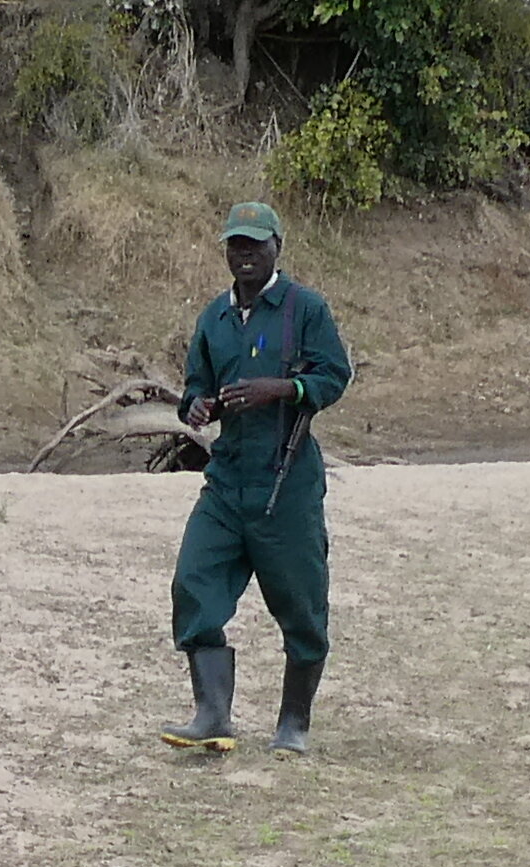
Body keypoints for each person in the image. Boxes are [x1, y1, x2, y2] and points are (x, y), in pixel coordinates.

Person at [165, 195, 346, 759]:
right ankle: (212, 715)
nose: (245, 255)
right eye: (235, 245)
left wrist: (282, 389)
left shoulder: (304, 309)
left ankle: (294, 722)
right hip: (227, 480)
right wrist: (197, 408)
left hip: (284, 483)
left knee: (300, 603)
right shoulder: (214, 318)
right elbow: (197, 384)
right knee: (193, 582)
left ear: (277, 248)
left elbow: (334, 375)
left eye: (255, 244)